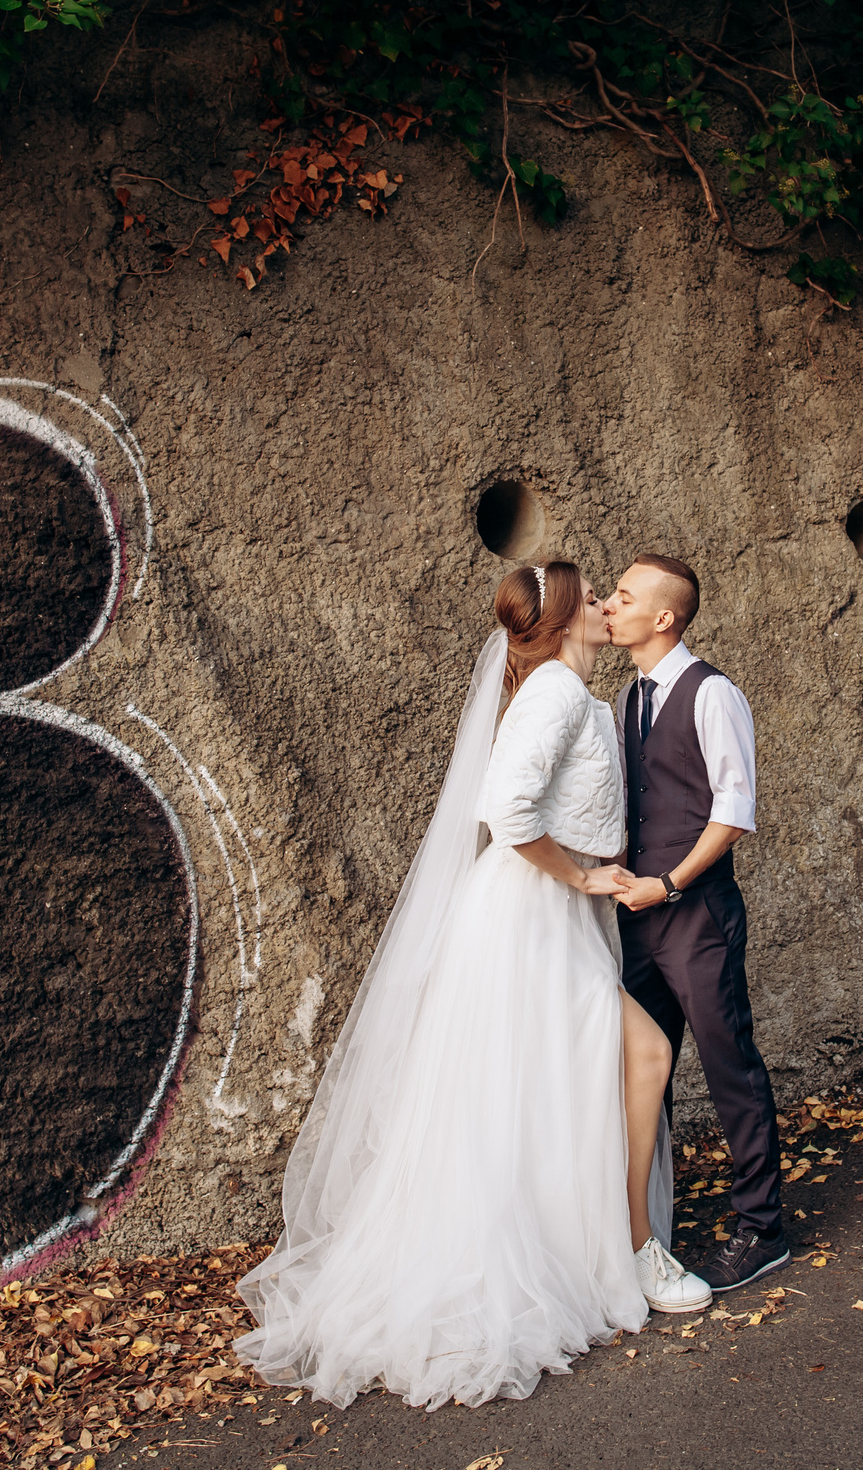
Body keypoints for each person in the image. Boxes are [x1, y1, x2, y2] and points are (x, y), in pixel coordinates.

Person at [236, 562, 709, 1412]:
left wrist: (600, 872)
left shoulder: (568, 690)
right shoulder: (557, 695)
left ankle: (596, 1244)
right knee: (643, 1051)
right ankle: (631, 1245)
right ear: (566, 617)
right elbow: (509, 809)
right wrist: (579, 876)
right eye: (593, 596)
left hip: (552, 915)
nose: (605, 605)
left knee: (546, 1086)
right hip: (530, 914)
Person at [602, 554, 790, 1292]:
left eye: (622, 596)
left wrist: (670, 883)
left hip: (696, 914)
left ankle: (762, 1226)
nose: (608, 606)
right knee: (643, 1072)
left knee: (728, 1064)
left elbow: (733, 812)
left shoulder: (713, 695)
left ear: (662, 618)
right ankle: (649, 1226)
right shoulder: (627, 699)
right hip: (636, 918)